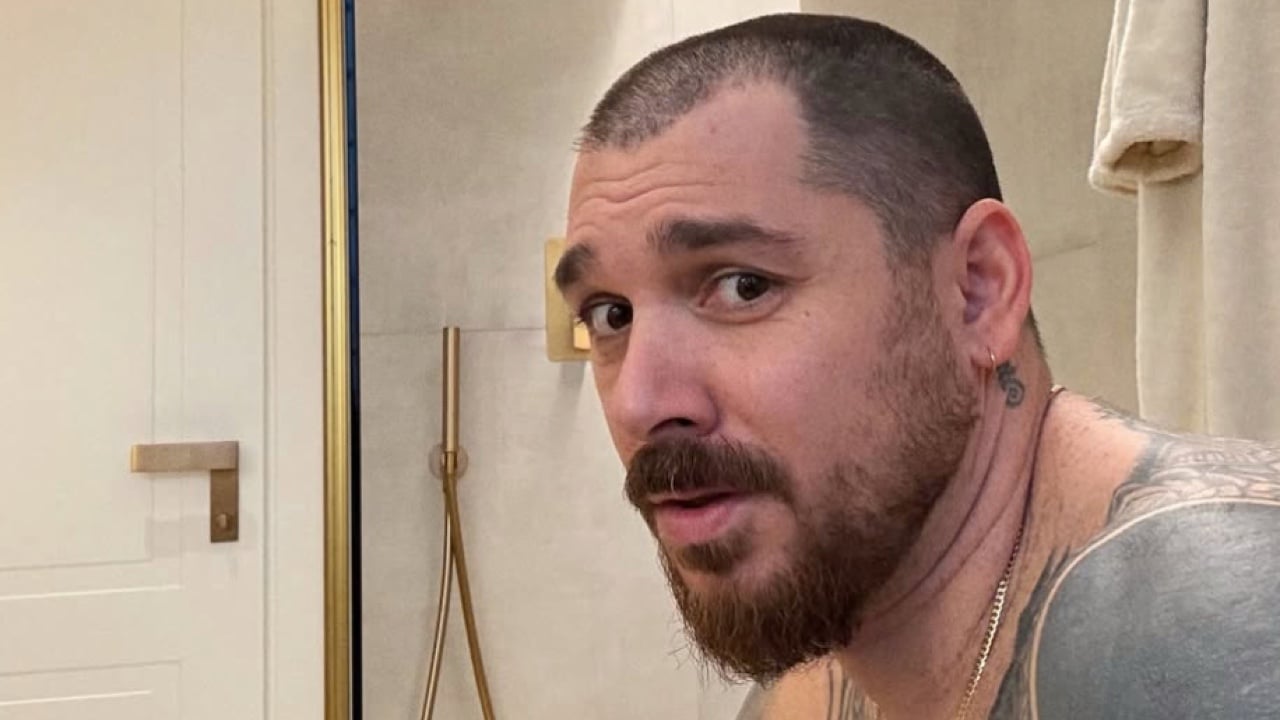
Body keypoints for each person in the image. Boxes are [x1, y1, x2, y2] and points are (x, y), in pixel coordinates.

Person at [554, 13, 1280, 719]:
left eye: (744, 287)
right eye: (611, 315)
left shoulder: (1208, 627)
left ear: (978, 290)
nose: (640, 404)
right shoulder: (823, 668)